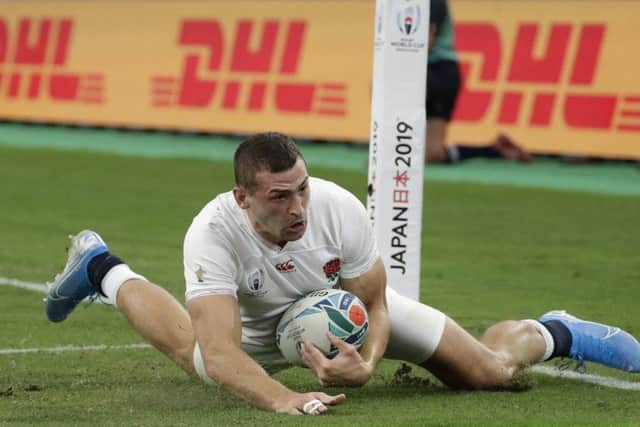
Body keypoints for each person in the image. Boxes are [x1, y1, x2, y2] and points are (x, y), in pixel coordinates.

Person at [45, 132, 639, 415]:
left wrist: (369, 363)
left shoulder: (337, 207)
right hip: (254, 336)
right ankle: (101, 267)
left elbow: (377, 303)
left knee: (487, 373)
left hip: (342, 313)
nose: (298, 207)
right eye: (279, 197)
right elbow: (225, 355)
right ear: (243, 197)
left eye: (302, 188)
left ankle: (558, 331)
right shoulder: (211, 232)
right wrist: (286, 400)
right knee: (191, 348)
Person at [426, 0, 532, 163]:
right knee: (426, 153)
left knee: (430, 154)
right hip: (421, 72)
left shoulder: (434, 2)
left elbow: (426, 42)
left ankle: (494, 151)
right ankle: (494, 149)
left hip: (438, 73)